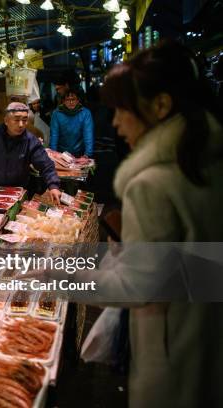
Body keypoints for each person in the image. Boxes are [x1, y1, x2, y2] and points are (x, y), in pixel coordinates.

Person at [97, 41, 223, 407]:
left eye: (122, 109)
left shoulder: (152, 184)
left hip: (175, 352)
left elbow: (135, 288)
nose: (116, 122)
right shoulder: (208, 162)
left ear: (161, 105)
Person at [0, 102, 61, 203]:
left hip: (16, 195)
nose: (21, 125)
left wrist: (53, 186)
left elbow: (46, 165)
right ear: (6, 120)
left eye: (24, 120)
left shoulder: (31, 141)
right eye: (16, 120)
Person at [50, 89, 94, 157]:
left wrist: (87, 154)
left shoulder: (85, 113)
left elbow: (88, 135)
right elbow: (54, 135)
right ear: (63, 101)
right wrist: (53, 154)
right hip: (61, 153)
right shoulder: (56, 113)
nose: (71, 102)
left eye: (73, 99)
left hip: (80, 152)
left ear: (78, 100)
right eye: (67, 100)